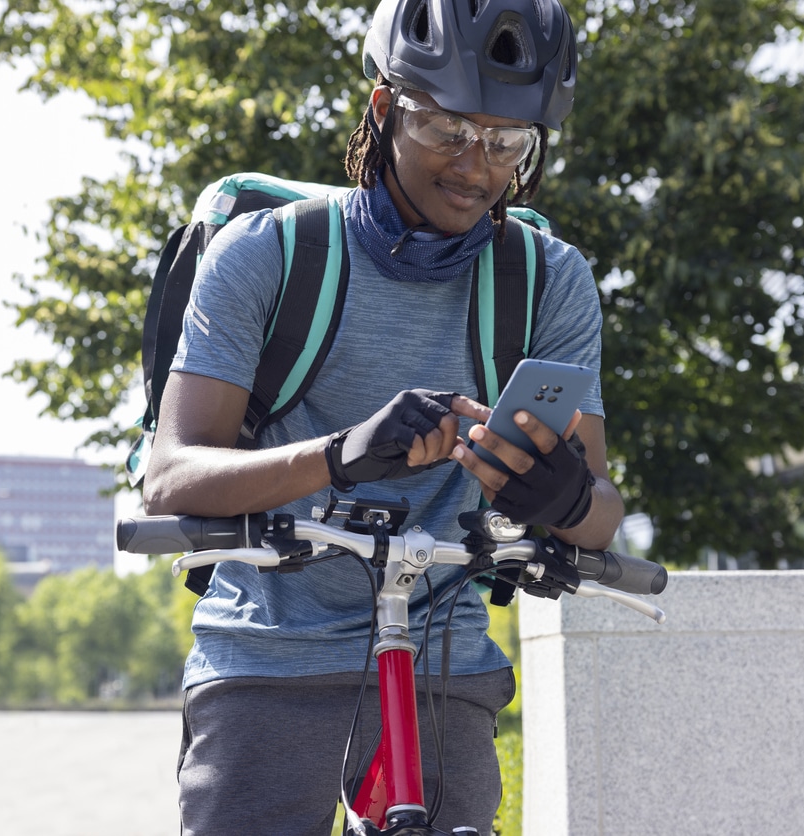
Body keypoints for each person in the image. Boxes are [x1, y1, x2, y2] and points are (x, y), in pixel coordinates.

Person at [143, 0, 624, 831]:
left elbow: (603, 515)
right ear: (382, 108)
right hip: (269, 657)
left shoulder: (547, 280)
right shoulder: (267, 253)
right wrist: (342, 453)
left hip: (442, 659)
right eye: (446, 130)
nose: (476, 166)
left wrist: (565, 502)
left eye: (506, 142)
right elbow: (172, 473)